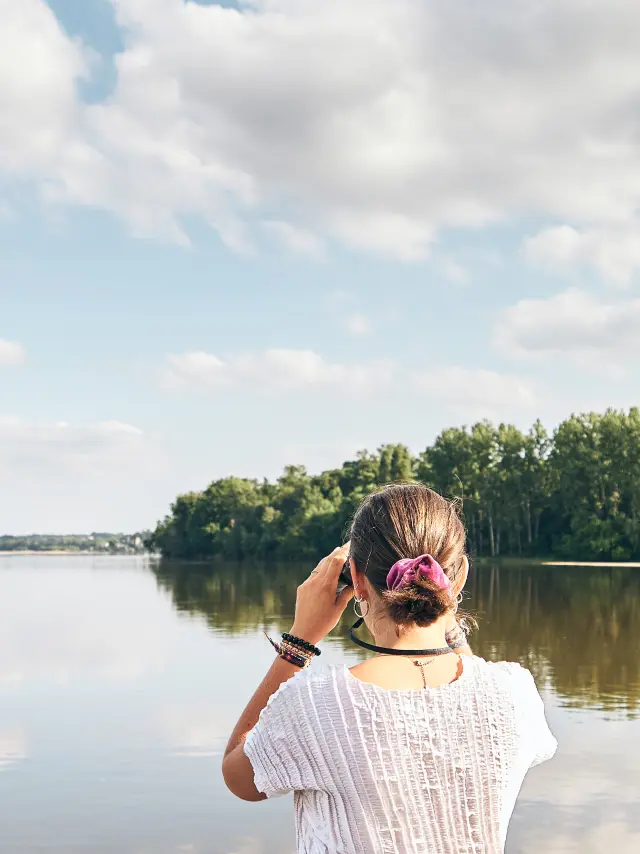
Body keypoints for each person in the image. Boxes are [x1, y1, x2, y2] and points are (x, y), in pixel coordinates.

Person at [222, 483, 557, 853]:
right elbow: (472, 691)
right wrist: (446, 617)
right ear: (459, 576)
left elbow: (239, 777)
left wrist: (299, 642)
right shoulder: (513, 694)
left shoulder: (315, 706)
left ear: (355, 579)